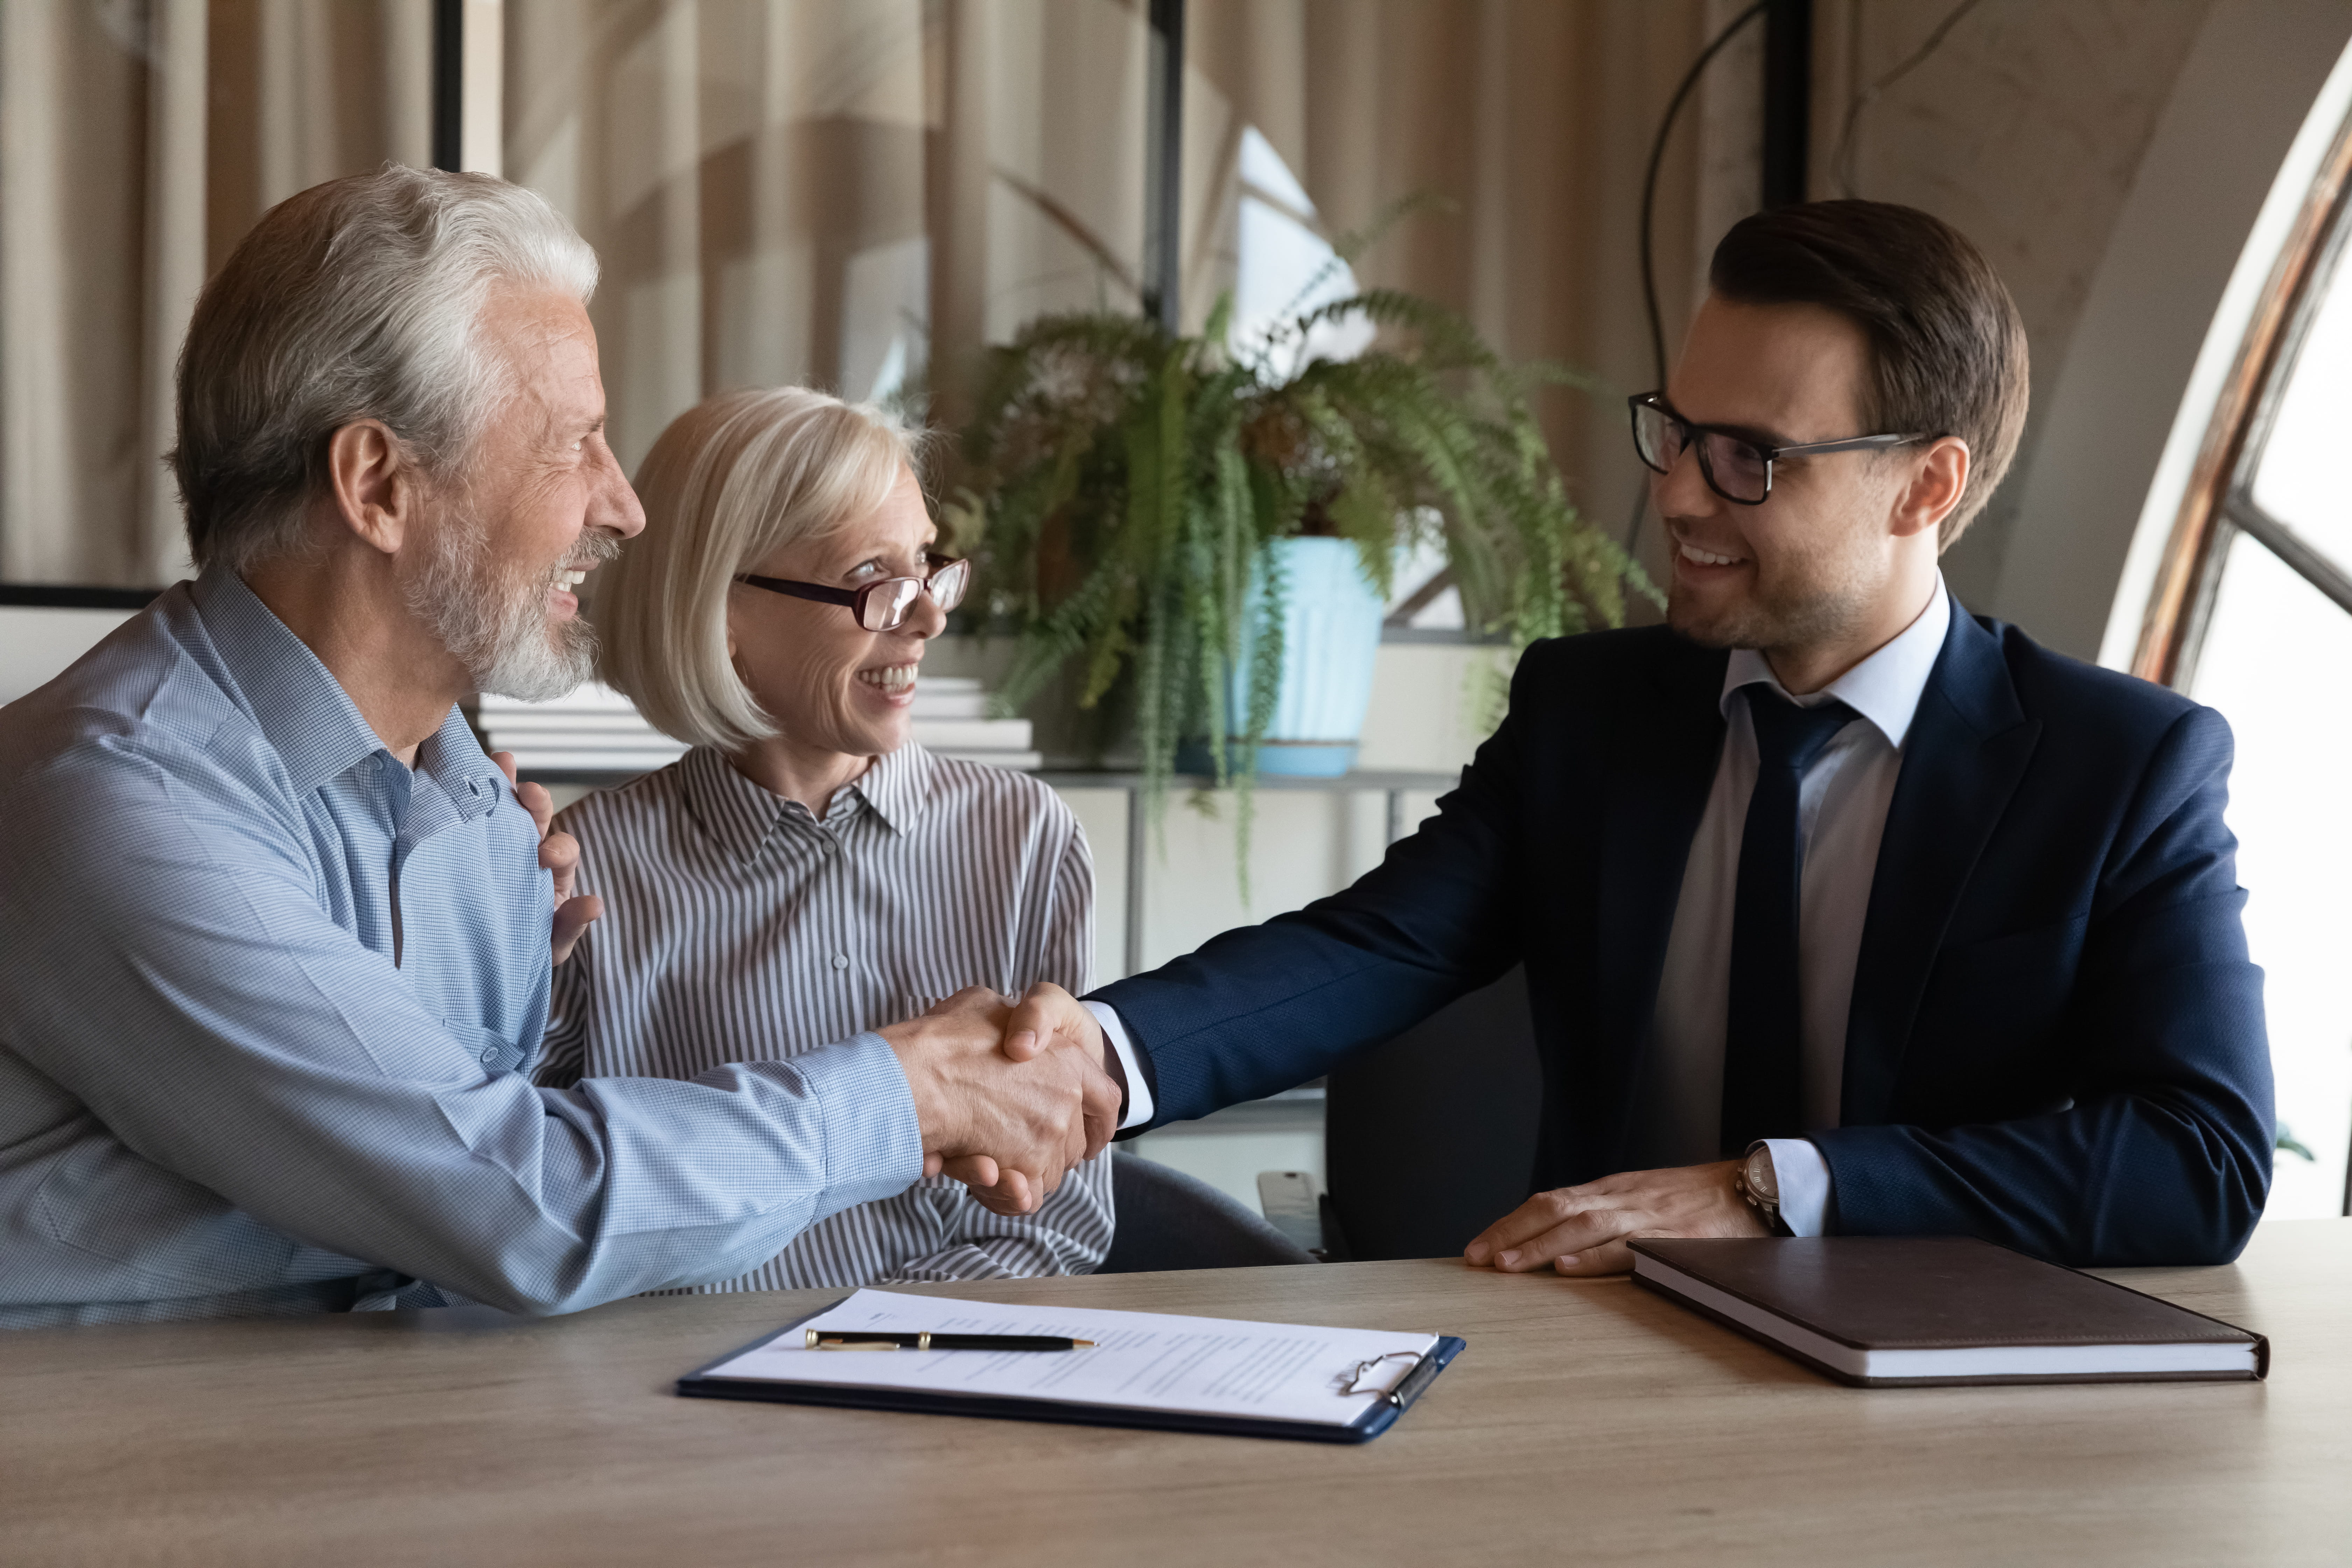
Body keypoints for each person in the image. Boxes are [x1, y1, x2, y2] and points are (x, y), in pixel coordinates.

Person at [991, 198, 2274, 1270]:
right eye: (1675, 431)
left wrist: (1771, 1188)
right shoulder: (1589, 714)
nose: (1674, 493)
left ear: (1925, 486)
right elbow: (1376, 946)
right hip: (1604, 1355)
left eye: (1748, 460)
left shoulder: (2121, 769)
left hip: (1941, 1401)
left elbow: (2200, 1158)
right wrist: (1105, 1055)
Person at [0, 167, 1112, 1329]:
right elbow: (522, 1207)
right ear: (379, 485)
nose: (624, 507)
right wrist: (908, 1092)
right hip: (125, 1478)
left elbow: (472, 1190)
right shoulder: (114, 801)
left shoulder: (473, 798)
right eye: (572, 444)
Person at [537, 386, 1111, 1288]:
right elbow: (534, 1210)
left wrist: (865, 1360)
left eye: (928, 566)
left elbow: (1065, 1222)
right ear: (723, 611)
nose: (928, 617)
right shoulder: (584, 874)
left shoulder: (1024, 840)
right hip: (682, 1400)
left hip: (950, 1388)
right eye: (871, 580)